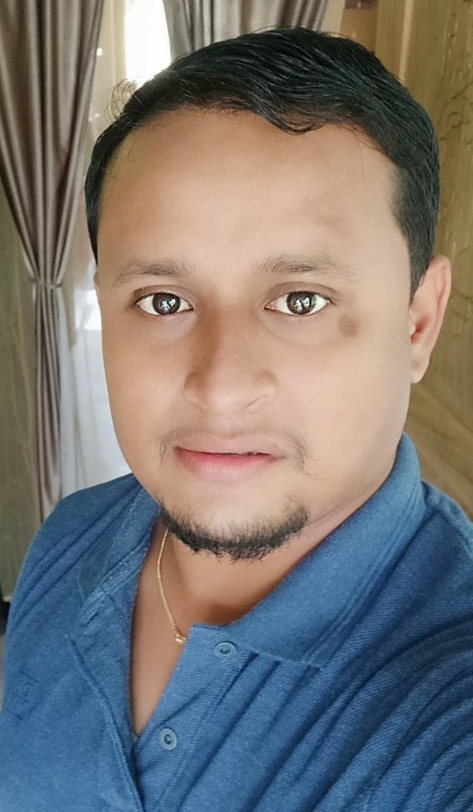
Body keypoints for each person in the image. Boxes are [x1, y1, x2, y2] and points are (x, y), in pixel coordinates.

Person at [0, 26, 472, 812]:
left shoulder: (443, 714)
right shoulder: (70, 536)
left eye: (300, 301)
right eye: (163, 301)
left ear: (417, 323)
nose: (219, 390)